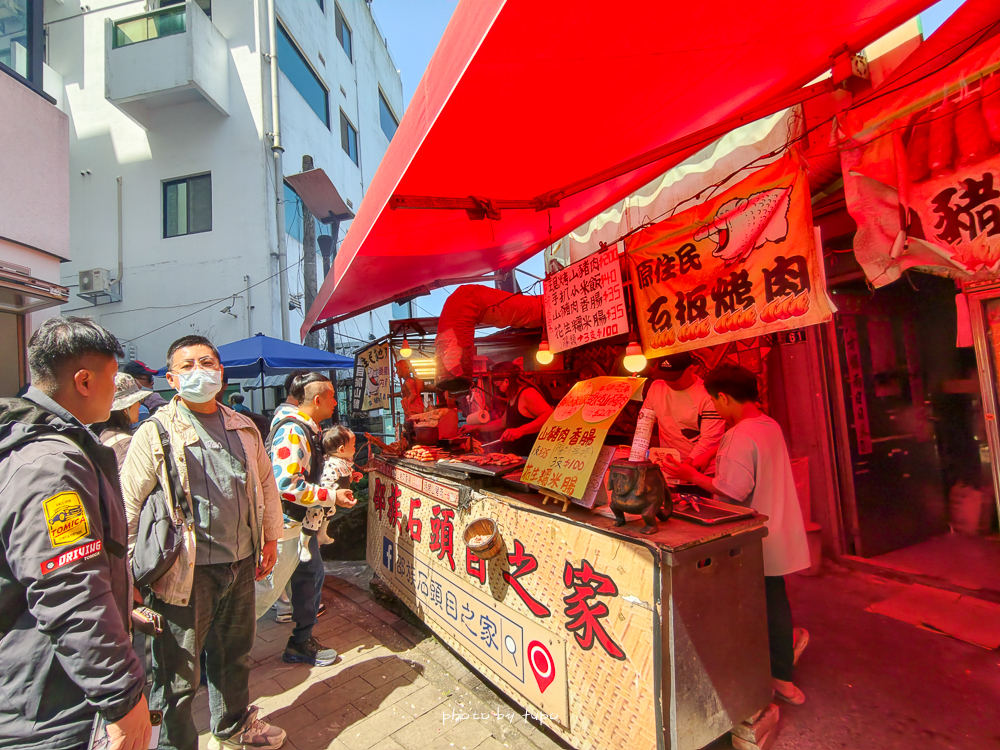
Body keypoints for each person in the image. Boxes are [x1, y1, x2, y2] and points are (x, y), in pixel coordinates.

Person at [120, 335, 285, 750]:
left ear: (220, 371)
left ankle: (233, 727)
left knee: (234, 657)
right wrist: (124, 578)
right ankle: (172, 744)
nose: (199, 372)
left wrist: (270, 538)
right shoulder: (154, 432)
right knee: (176, 673)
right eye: (188, 366)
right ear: (172, 380)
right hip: (184, 572)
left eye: (207, 362)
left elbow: (265, 484)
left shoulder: (243, 426)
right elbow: (127, 505)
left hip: (241, 563)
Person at [0, 317, 151, 750]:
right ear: (83, 381)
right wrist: (121, 695)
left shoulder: (41, 441)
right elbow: (67, 588)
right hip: (49, 705)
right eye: (111, 379)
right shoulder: (50, 465)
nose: (116, 391)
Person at [666, 364, 810, 705]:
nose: (718, 410)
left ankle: (759, 676)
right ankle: (784, 678)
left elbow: (730, 491)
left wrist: (690, 473)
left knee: (753, 605)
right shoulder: (768, 425)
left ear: (724, 397)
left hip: (752, 536)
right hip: (777, 529)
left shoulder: (739, 435)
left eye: (717, 402)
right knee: (775, 600)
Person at [267, 372, 342, 666]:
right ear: (318, 399)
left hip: (301, 526)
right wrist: (331, 497)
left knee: (309, 579)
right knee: (264, 593)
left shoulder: (305, 428)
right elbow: (286, 484)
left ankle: (300, 642)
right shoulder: (293, 431)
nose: (336, 402)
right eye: (333, 396)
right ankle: (215, 656)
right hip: (288, 527)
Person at [642, 352, 726, 480]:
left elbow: (710, 439)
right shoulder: (656, 387)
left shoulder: (707, 396)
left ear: (691, 369)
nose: (670, 381)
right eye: (666, 377)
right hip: (669, 466)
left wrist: (686, 467)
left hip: (703, 470)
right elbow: (644, 421)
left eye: (675, 377)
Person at [292, 426, 362, 558]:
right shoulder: (332, 464)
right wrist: (335, 494)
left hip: (330, 501)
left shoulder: (343, 463)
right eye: (353, 445)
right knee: (314, 517)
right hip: (323, 499)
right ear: (341, 449)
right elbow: (326, 482)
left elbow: (344, 476)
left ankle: (322, 533)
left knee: (331, 512)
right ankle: (304, 543)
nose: (355, 448)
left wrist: (353, 476)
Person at [462, 361, 553, 455]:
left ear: (506, 381)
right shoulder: (513, 397)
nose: (498, 389)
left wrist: (520, 430)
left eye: (498, 385)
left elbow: (549, 416)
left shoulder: (527, 393)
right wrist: (475, 428)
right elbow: (502, 423)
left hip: (528, 458)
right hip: (514, 458)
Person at [94, 372, 151, 470]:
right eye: (137, 401)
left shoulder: (102, 434)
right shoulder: (125, 444)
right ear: (125, 409)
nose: (139, 405)